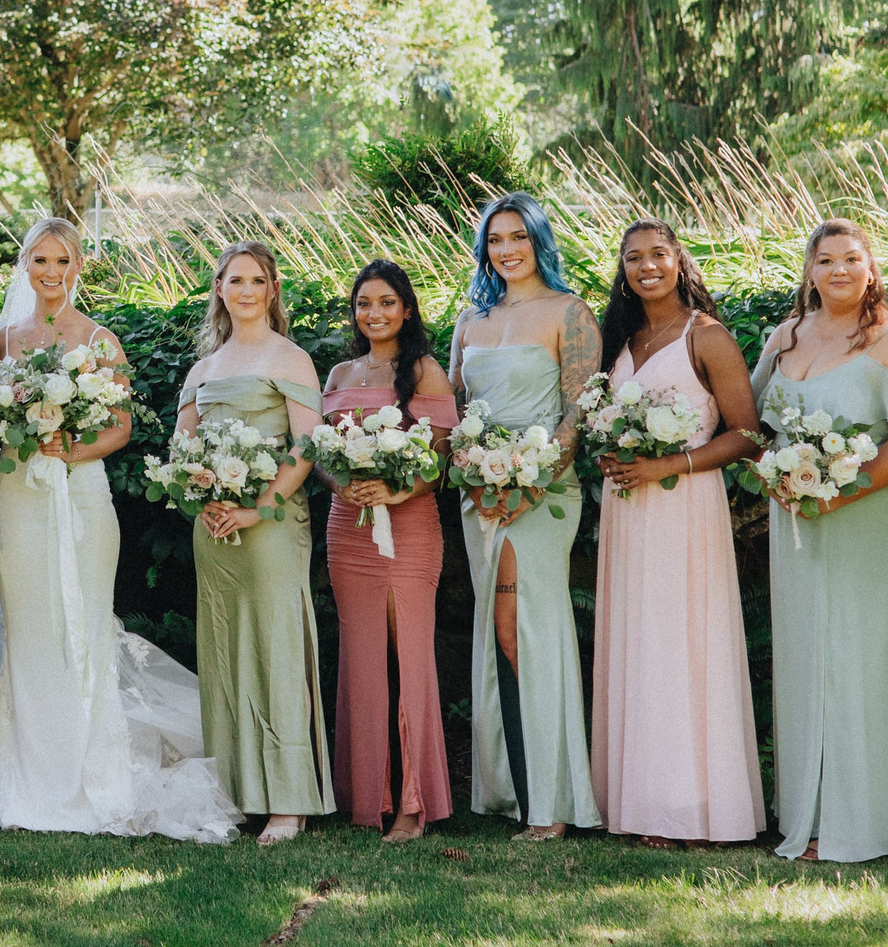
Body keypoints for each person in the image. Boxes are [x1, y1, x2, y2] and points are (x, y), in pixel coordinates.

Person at [0, 218, 237, 843]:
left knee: (81, 626)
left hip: (81, 498)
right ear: (25, 265)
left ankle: (95, 772)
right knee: (27, 630)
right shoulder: (1, 343)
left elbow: (120, 426)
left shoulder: (101, 340)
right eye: (39, 261)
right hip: (17, 499)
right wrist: (18, 435)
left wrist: (70, 451)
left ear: (77, 265)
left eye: (62, 261)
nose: (50, 273)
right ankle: (27, 778)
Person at [752, 219, 888, 864]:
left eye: (851, 259)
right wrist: (782, 479)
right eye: (826, 259)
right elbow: (752, 424)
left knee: (863, 655)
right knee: (808, 655)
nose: (839, 270)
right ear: (808, 269)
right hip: (797, 524)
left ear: (870, 268)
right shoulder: (784, 338)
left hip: (864, 518)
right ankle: (808, 812)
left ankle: (871, 818)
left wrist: (840, 489)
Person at [589, 219, 765, 848]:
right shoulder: (620, 338)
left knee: (684, 643)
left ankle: (694, 808)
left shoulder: (706, 336)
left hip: (685, 506)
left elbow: (747, 434)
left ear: (678, 259)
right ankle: (639, 800)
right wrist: (611, 453)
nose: (646, 267)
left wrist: (670, 463)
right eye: (632, 257)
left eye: (657, 254)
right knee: (638, 642)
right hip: (627, 507)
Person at [451, 193, 602, 842]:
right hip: (481, 491)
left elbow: (579, 410)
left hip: (544, 488)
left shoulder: (571, 313)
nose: (506, 249)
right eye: (495, 239)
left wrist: (530, 479)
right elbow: (456, 409)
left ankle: (555, 800)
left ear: (539, 240)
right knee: (499, 634)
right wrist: (477, 471)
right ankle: (517, 790)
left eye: (518, 236)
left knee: (528, 630)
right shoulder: (469, 320)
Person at [175, 240, 336, 844]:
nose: (245, 290)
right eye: (233, 280)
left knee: (274, 647)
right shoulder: (203, 369)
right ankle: (238, 793)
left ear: (272, 290)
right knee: (222, 651)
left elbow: (304, 446)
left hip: (269, 524)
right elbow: (181, 448)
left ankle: (288, 801)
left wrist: (257, 508)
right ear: (219, 288)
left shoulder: (290, 359)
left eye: (256, 280)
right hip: (213, 525)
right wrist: (205, 496)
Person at [318, 259, 457, 843]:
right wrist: (343, 483)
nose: (373, 313)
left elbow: (442, 456)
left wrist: (397, 488)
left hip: (409, 529)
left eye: (385, 303)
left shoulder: (424, 371)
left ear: (406, 308)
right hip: (348, 528)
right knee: (361, 660)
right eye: (363, 304)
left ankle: (413, 803)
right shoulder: (339, 372)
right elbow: (322, 454)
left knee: (409, 662)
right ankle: (363, 796)